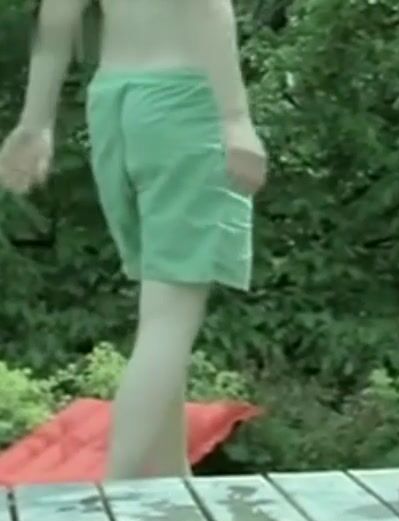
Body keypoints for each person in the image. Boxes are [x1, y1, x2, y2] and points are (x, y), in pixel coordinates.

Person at [0, 0, 266, 480]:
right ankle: (115, 490)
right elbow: (207, 6)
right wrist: (235, 119)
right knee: (170, 319)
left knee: (159, 309)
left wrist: (36, 121)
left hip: (113, 101)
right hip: (183, 103)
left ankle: (171, 479)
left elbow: (57, 17)